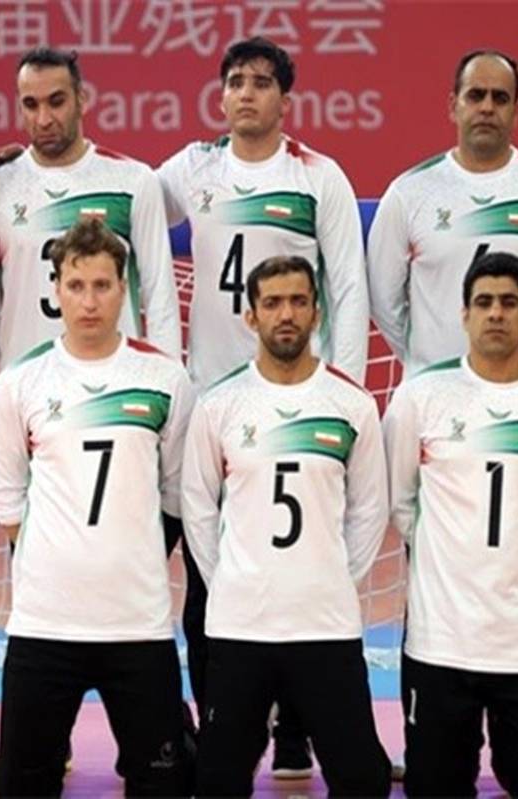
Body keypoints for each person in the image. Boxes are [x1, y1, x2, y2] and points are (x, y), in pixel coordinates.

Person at [157, 36, 370, 778]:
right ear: (221, 94)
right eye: (235, 82)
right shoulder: (194, 169)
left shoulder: (317, 176)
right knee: (207, 580)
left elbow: (347, 285)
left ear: (285, 97)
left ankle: (295, 734)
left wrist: (342, 390)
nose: (246, 93)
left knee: (304, 571)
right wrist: (22, 163)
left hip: (297, 397)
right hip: (213, 405)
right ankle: (224, 725)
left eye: (261, 82)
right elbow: (123, 199)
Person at [0, 218, 194, 797]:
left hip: (138, 624)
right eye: (76, 286)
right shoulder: (22, 382)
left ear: (124, 289)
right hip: (45, 624)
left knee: (166, 785)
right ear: (55, 289)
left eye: (102, 286)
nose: (90, 301)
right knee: (22, 784)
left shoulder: (164, 379)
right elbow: (6, 496)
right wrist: (59, 562)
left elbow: (175, 492)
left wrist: (124, 558)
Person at [181, 256, 391, 797]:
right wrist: (231, 579)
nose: (286, 314)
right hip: (240, 626)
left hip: (325, 625)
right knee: (218, 782)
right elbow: (198, 507)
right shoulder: (220, 405)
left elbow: (371, 508)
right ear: (250, 316)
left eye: (299, 301)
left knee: (362, 780)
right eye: (272, 303)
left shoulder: (351, 404)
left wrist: (331, 577)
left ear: (317, 312)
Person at [383, 252, 518, 798]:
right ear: (464, 315)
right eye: (484, 303)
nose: (496, 313)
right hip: (441, 642)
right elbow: (402, 502)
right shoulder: (420, 396)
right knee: (434, 788)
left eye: (508, 303)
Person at [0, 46, 182, 549]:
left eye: (56, 101)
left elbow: (161, 300)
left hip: (116, 397)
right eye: (30, 104)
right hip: (29, 402)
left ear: (83, 99)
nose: (44, 118)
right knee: (33, 552)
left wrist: (166, 393)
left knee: (121, 547)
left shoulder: (132, 182)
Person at [368, 49, 518, 375]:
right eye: (476, 96)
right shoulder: (408, 192)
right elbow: (383, 300)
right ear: (453, 106)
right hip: (435, 389)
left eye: (500, 98)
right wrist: (431, 357)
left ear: (516, 111)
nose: (487, 108)